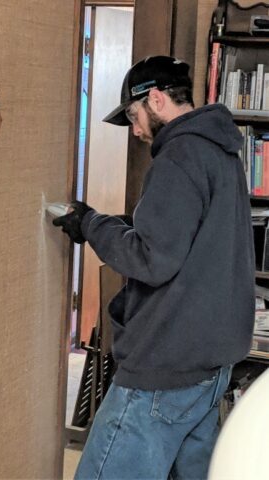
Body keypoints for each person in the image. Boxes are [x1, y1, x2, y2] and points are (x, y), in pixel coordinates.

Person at [53, 56, 255, 480]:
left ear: (157, 100)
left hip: (165, 369)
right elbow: (188, 240)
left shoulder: (178, 156)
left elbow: (152, 258)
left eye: (134, 116)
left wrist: (90, 224)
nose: (137, 130)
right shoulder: (222, 152)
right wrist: (108, 225)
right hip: (210, 366)